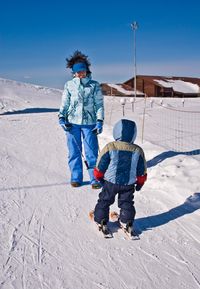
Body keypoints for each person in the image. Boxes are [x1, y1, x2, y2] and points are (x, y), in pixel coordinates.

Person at [58, 51, 104, 189]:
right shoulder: (69, 85)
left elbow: (99, 105)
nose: (81, 74)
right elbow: (65, 103)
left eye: (83, 71)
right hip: (72, 123)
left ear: (86, 71)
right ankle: (76, 177)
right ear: (73, 72)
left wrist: (100, 120)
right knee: (74, 151)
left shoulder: (94, 85)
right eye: (78, 72)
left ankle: (94, 178)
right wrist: (62, 117)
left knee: (91, 152)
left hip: (89, 124)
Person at [93, 119, 147, 232]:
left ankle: (101, 220)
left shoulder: (110, 147)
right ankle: (127, 221)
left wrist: (98, 176)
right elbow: (141, 170)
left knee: (105, 200)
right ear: (134, 134)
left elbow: (101, 163)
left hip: (110, 182)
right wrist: (140, 182)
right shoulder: (138, 150)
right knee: (126, 202)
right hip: (128, 184)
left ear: (116, 132)